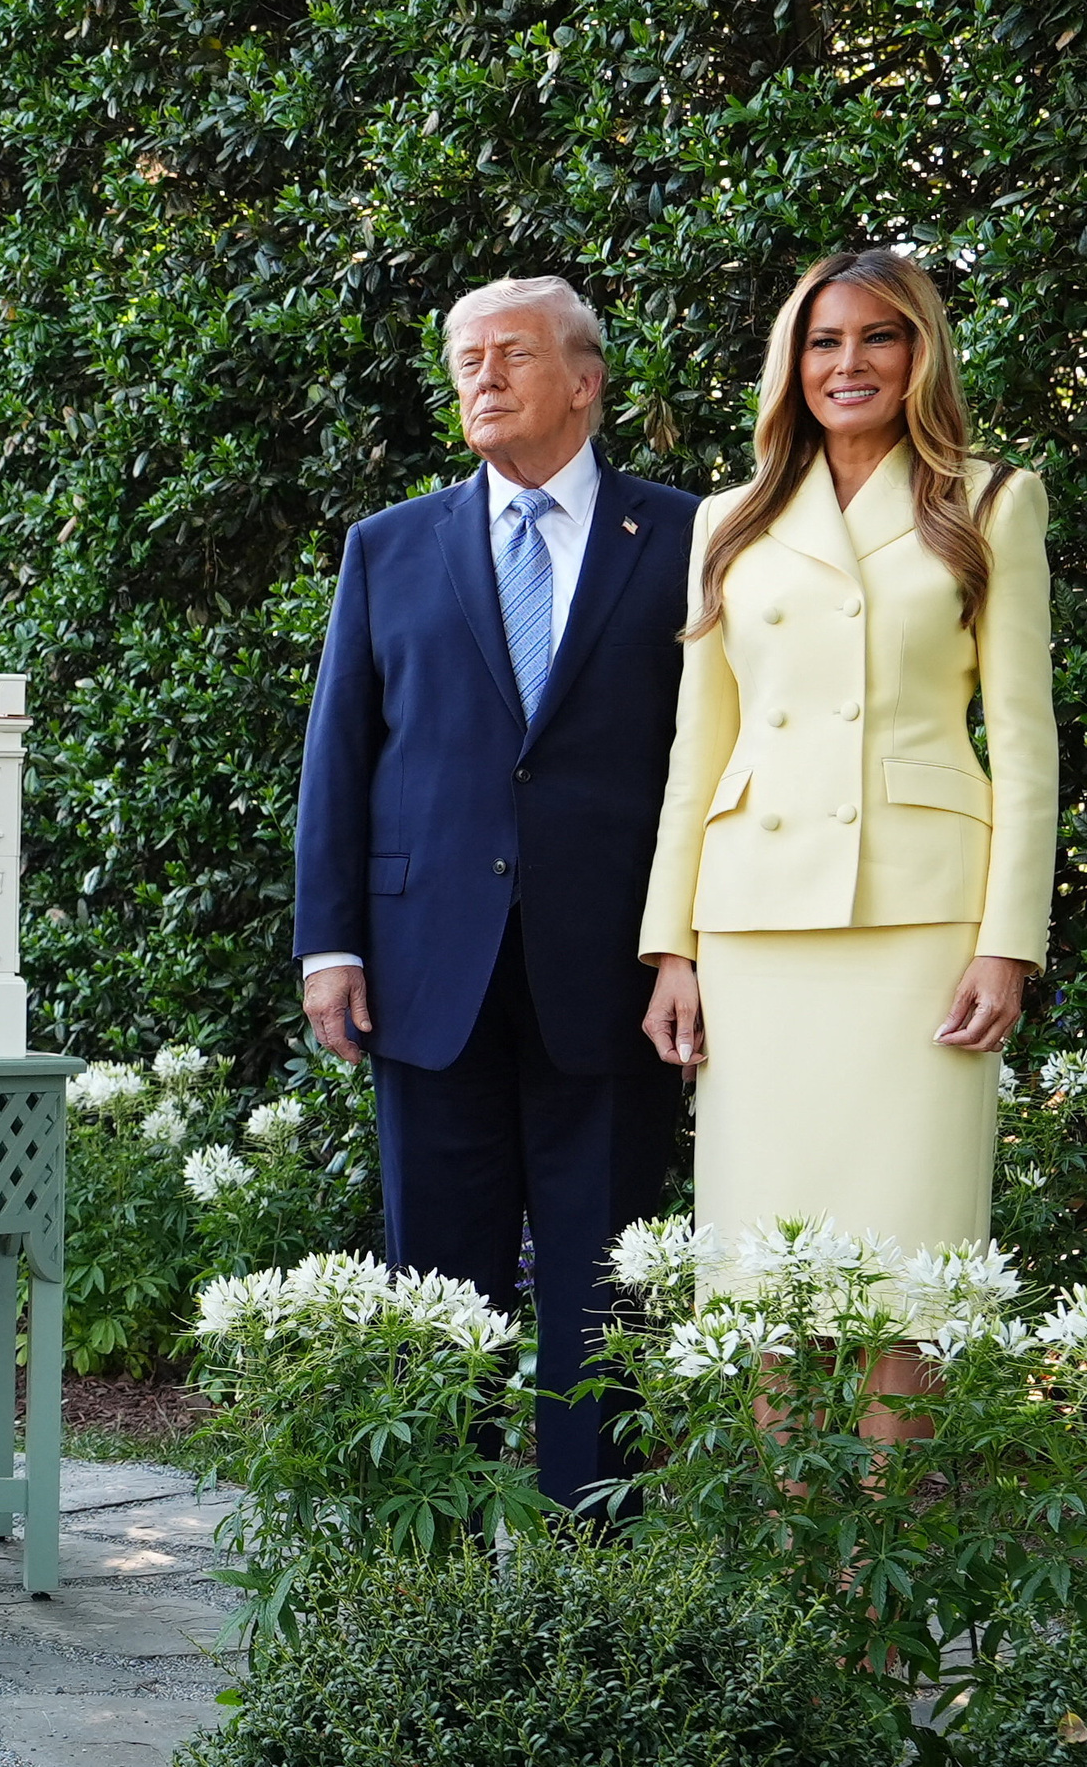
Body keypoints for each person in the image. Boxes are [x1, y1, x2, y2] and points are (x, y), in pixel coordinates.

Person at [293, 276, 696, 1513]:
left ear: (585, 380)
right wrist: (328, 944)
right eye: (466, 358)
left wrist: (687, 945)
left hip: (614, 972)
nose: (481, 377)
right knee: (438, 1291)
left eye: (511, 354)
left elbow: (713, 757)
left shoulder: (689, 538)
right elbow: (340, 753)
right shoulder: (390, 545)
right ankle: (441, 1570)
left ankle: (595, 1568)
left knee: (603, 1292)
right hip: (425, 972)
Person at [638, 252, 1054, 1334]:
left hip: (922, 920)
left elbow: (1024, 741)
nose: (848, 362)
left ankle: (894, 1459)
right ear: (795, 363)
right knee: (761, 1272)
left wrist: (1009, 944)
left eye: (879, 336)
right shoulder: (729, 517)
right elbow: (699, 746)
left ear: (921, 354)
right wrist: (671, 947)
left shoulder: (991, 500)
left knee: (908, 1266)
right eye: (824, 341)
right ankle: (776, 1461)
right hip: (753, 921)